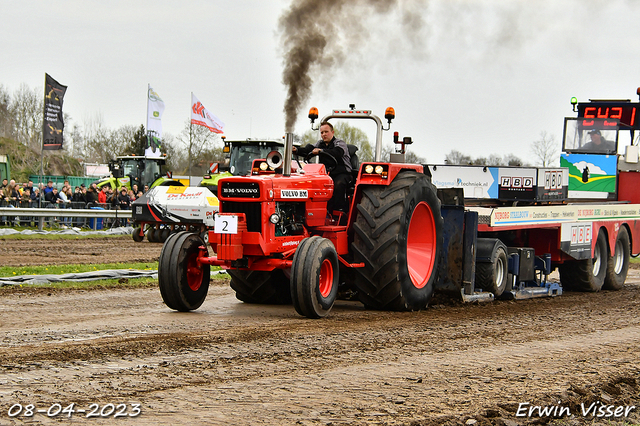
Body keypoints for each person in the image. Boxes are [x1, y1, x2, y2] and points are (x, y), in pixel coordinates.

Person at [293, 121, 352, 217]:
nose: (324, 134)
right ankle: (309, 213)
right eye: (322, 133)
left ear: (332, 132)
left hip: (342, 173)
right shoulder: (320, 144)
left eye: (326, 132)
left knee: (338, 184)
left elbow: (337, 152)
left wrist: (322, 151)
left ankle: (339, 211)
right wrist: (297, 150)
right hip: (327, 174)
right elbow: (309, 149)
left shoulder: (340, 143)